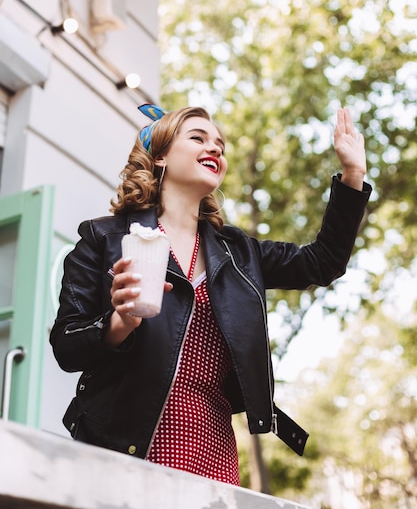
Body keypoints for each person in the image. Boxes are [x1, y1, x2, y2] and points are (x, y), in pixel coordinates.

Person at [50, 104, 372, 486]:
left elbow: (322, 262)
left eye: (220, 144)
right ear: (161, 156)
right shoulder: (103, 239)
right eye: (198, 138)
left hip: (213, 453)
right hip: (124, 447)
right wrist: (119, 323)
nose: (215, 148)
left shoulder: (239, 254)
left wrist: (353, 176)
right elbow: (67, 347)